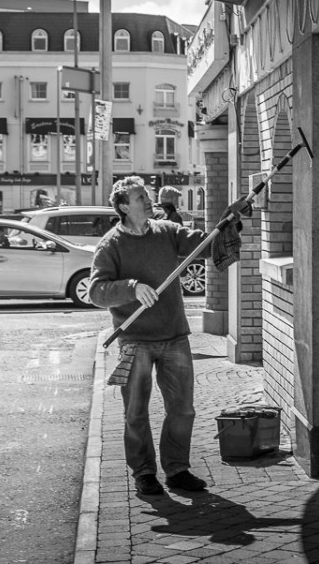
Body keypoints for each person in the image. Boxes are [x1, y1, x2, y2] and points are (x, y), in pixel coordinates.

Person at [88, 175, 251, 496]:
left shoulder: (166, 231)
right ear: (123, 206)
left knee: (183, 409)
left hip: (175, 336)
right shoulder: (111, 245)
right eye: (140, 198)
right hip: (135, 340)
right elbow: (96, 291)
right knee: (136, 412)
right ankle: (145, 473)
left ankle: (177, 470)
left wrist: (230, 223)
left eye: (147, 196)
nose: (149, 201)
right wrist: (131, 288)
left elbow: (205, 246)